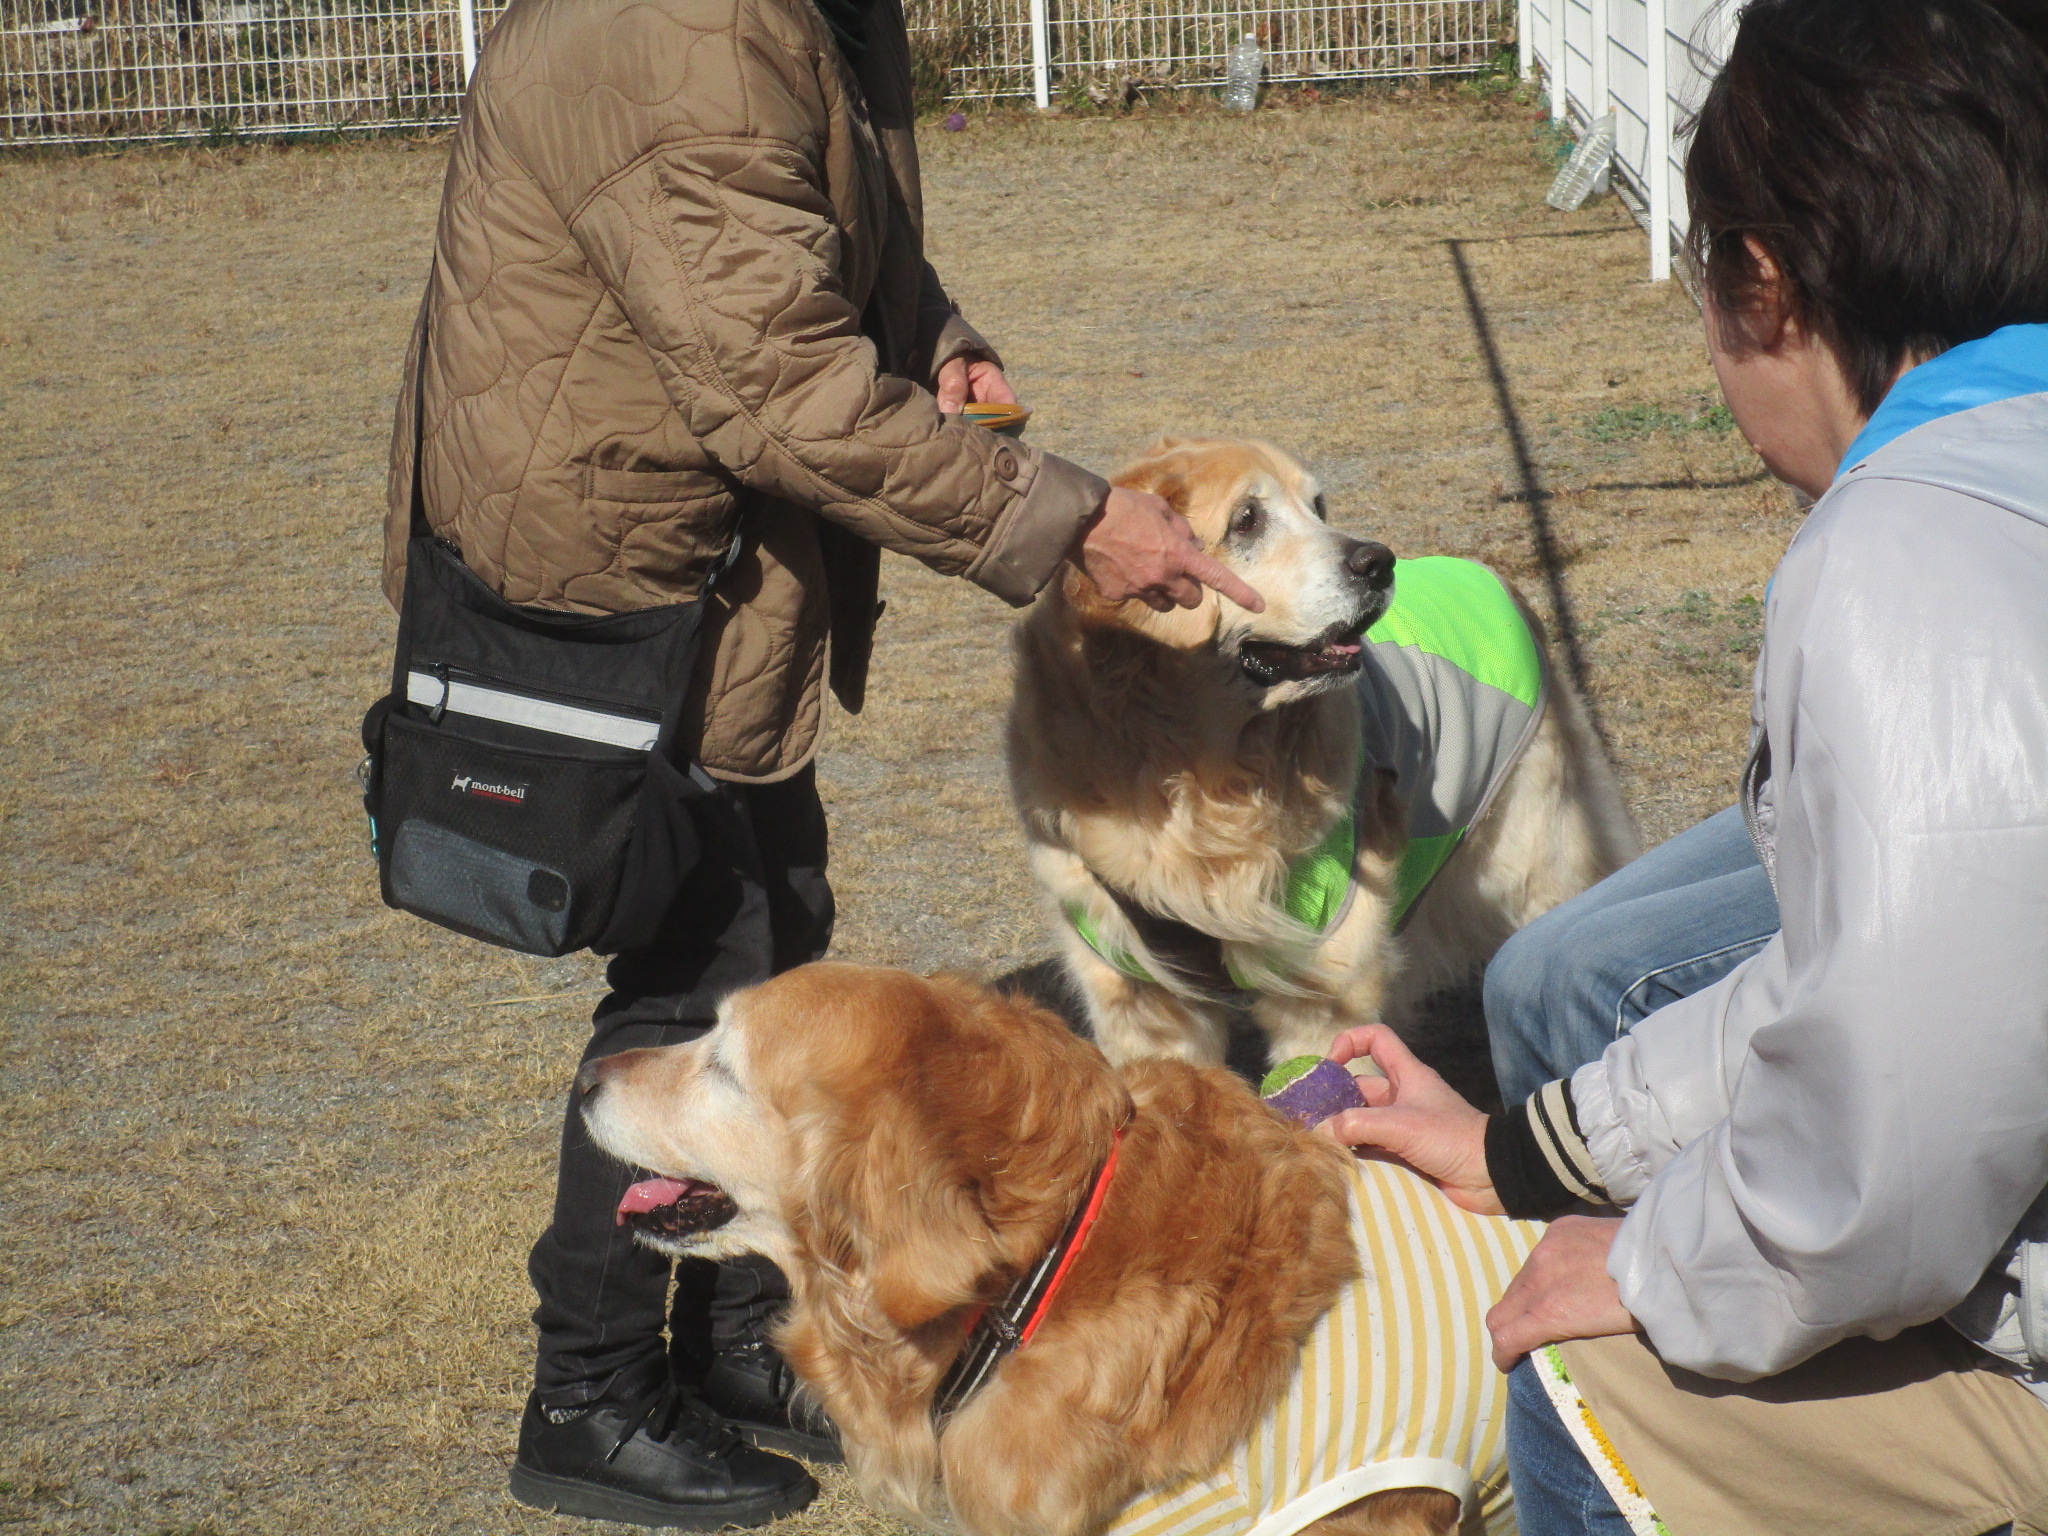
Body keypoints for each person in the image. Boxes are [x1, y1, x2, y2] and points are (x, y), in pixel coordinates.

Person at [380, 0, 1262, 1521]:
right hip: (623, 572)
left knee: (777, 913)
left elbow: (816, 241)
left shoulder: (806, 16)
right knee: (697, 963)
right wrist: (1064, 517)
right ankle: (587, 1394)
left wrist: (935, 340)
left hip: (709, 555)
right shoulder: (681, 34)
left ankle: (735, 1331)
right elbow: (778, 386)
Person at [1322, 1, 2048, 1530]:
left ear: (1762, 285)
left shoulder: (1908, 557)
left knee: (1586, 1382)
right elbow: (1874, 980)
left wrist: (1654, 1265)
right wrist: (1527, 1154)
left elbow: (1890, 1145)